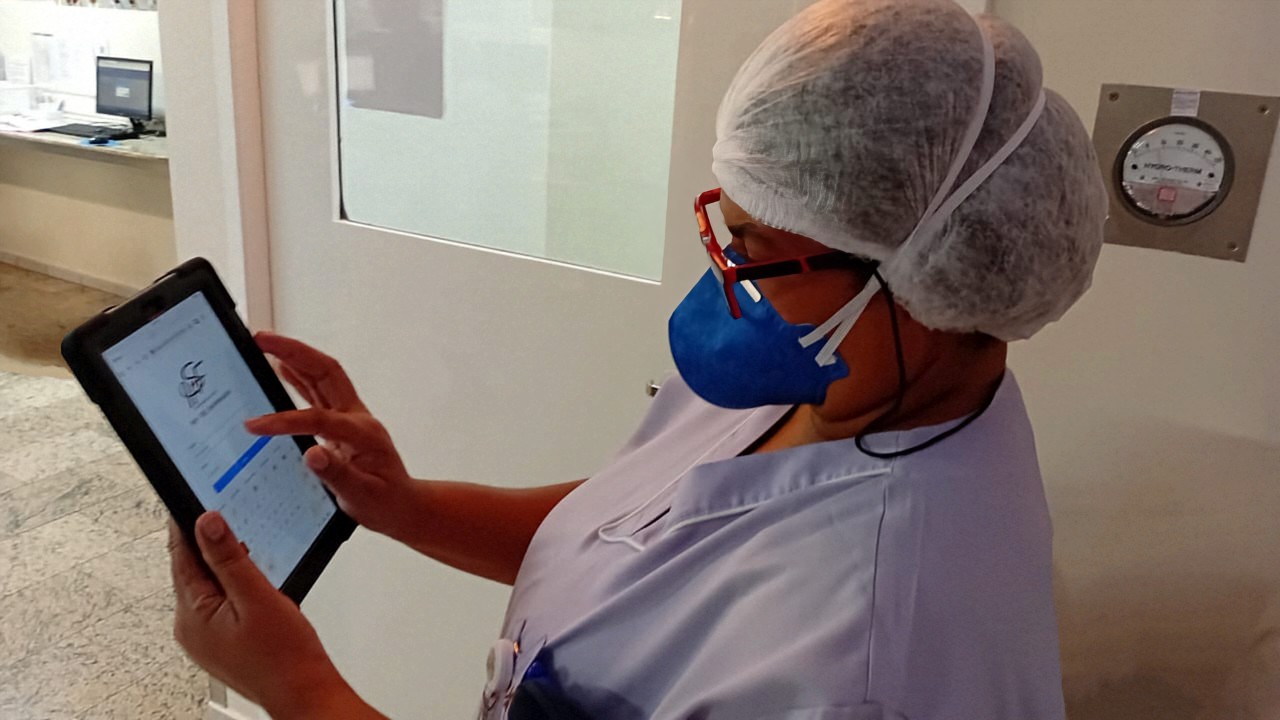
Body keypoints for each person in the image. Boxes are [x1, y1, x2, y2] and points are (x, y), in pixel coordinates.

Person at [166, 0, 1107, 717]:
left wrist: (300, 688)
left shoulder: (864, 665)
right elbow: (637, 535)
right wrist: (407, 507)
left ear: (921, 283)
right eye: (728, 232)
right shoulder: (850, 379)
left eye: (758, 254)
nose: (728, 277)